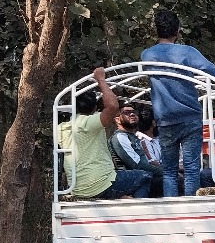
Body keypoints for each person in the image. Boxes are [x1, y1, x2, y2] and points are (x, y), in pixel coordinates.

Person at [140, 9, 215, 198]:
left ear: (157, 30)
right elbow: (212, 72)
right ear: (177, 30)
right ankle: (191, 206)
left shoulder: (147, 55)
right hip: (189, 116)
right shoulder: (187, 52)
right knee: (191, 167)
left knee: (169, 170)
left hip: (165, 119)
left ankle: (171, 205)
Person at [57, 68, 153, 200]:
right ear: (95, 108)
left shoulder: (62, 128)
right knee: (145, 176)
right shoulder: (88, 123)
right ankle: (135, 213)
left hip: (78, 187)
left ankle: (122, 199)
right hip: (99, 183)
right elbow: (113, 106)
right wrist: (101, 80)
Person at [110, 102, 163, 183]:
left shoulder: (135, 136)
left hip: (145, 175)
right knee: (174, 179)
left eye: (134, 112)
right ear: (117, 120)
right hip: (131, 179)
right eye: (126, 113)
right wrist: (166, 172)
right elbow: (136, 164)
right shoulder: (120, 137)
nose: (132, 114)